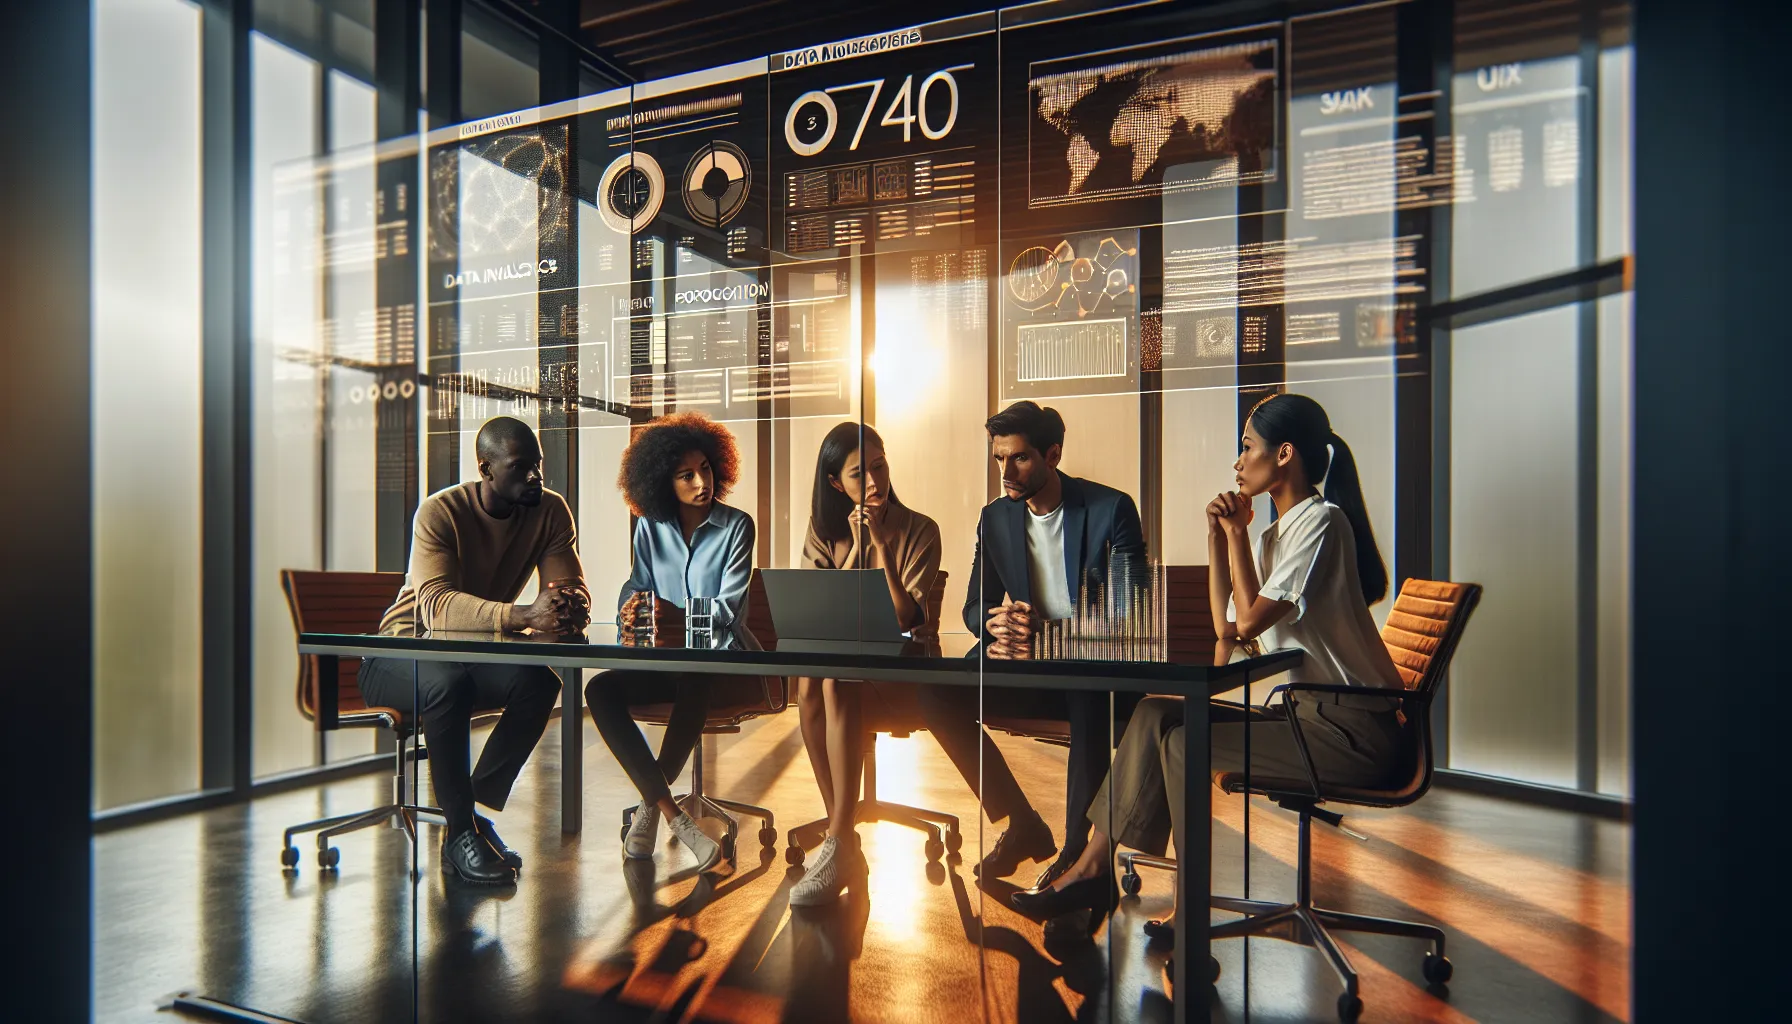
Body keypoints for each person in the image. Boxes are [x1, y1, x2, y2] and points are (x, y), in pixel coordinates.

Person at [1011, 392, 1406, 941]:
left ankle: (1184, 907)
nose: (1238, 462)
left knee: (1181, 741)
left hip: (1357, 734)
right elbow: (1227, 628)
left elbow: (1250, 622)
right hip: (1311, 718)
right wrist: (1217, 539)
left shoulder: (1321, 522)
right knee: (1155, 713)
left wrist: (1237, 534)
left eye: (1247, 447)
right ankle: (1092, 867)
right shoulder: (1276, 535)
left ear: (1284, 454)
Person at [917, 400, 1147, 888]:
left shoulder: (1111, 510)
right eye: (999, 458)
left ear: (1053, 455)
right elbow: (974, 606)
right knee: (934, 691)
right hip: (1031, 673)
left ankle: (1077, 854)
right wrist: (997, 624)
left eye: (1019, 458)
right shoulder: (995, 518)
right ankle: (1021, 823)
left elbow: (1129, 617)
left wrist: (1047, 634)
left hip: (1096, 676)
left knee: (1086, 688)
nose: (1006, 472)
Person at [361, 416, 590, 886]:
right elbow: (437, 609)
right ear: (486, 469)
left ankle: (468, 811)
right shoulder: (440, 512)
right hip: (398, 653)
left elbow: (567, 585)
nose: (535, 476)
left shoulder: (550, 511)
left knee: (537, 681)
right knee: (447, 684)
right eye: (520, 467)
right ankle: (462, 831)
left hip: (468, 655)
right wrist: (525, 615)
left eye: (538, 465)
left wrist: (569, 605)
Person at [587, 412, 759, 875]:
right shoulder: (649, 527)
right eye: (687, 475)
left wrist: (677, 617)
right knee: (599, 689)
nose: (702, 482)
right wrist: (629, 609)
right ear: (663, 482)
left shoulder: (737, 527)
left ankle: (653, 809)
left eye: (705, 469)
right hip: (666, 662)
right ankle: (674, 814)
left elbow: (728, 613)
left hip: (725, 666)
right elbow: (638, 585)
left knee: (695, 676)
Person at [789, 422, 943, 906]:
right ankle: (842, 838)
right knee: (813, 680)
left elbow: (903, 618)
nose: (875, 481)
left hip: (903, 677)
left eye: (879, 466)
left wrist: (878, 545)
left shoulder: (921, 529)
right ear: (836, 483)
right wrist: (856, 545)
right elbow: (816, 607)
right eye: (860, 474)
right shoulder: (822, 531)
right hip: (840, 675)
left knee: (834, 681)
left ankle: (838, 839)